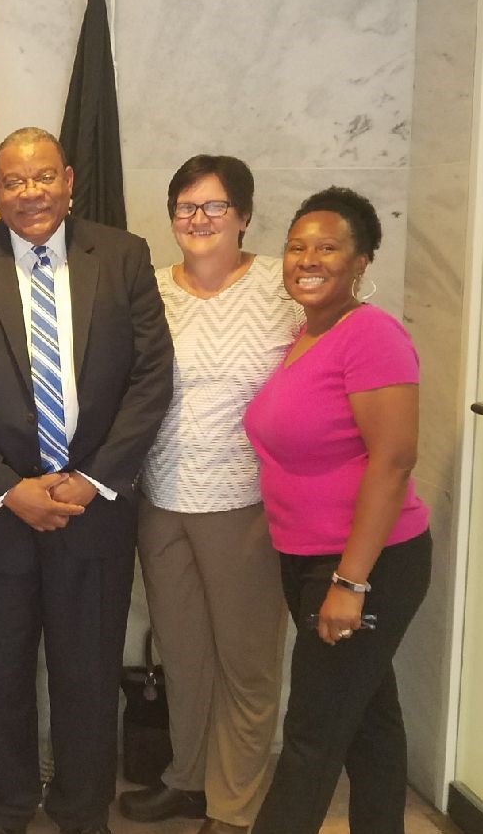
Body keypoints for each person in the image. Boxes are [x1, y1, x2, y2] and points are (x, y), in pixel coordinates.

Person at [0, 127, 174, 834]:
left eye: (43, 177)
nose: (30, 192)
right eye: (14, 181)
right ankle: (2, 812)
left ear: (69, 179)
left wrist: (92, 480)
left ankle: (84, 813)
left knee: (88, 679)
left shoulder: (122, 256)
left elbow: (151, 378)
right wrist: (8, 486)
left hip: (95, 513)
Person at [117, 156, 300, 834]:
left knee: (247, 664)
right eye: (184, 208)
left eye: (213, 207)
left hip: (247, 504)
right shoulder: (152, 288)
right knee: (183, 653)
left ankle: (233, 804)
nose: (197, 221)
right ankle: (186, 780)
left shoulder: (283, 285)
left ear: (245, 215)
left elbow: (337, 362)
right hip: (162, 499)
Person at [244, 187, 431, 834]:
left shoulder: (371, 334)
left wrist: (350, 582)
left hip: (364, 561)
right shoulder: (306, 335)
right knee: (369, 724)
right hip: (308, 557)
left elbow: (394, 461)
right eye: (297, 246)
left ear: (361, 261)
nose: (308, 258)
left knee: (312, 733)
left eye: (328, 246)